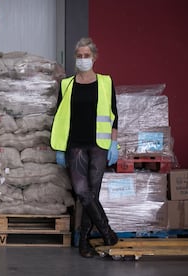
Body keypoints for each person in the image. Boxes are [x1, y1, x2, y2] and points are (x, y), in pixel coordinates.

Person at [50, 37, 119, 258]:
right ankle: (106, 231)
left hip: (99, 145)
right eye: (79, 56)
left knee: (93, 193)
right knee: (82, 192)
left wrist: (114, 143)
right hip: (75, 146)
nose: (82, 59)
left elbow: (114, 115)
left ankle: (84, 244)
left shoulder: (106, 82)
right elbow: (60, 117)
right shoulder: (66, 84)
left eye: (86, 55)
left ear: (94, 57)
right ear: (75, 58)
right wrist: (60, 148)